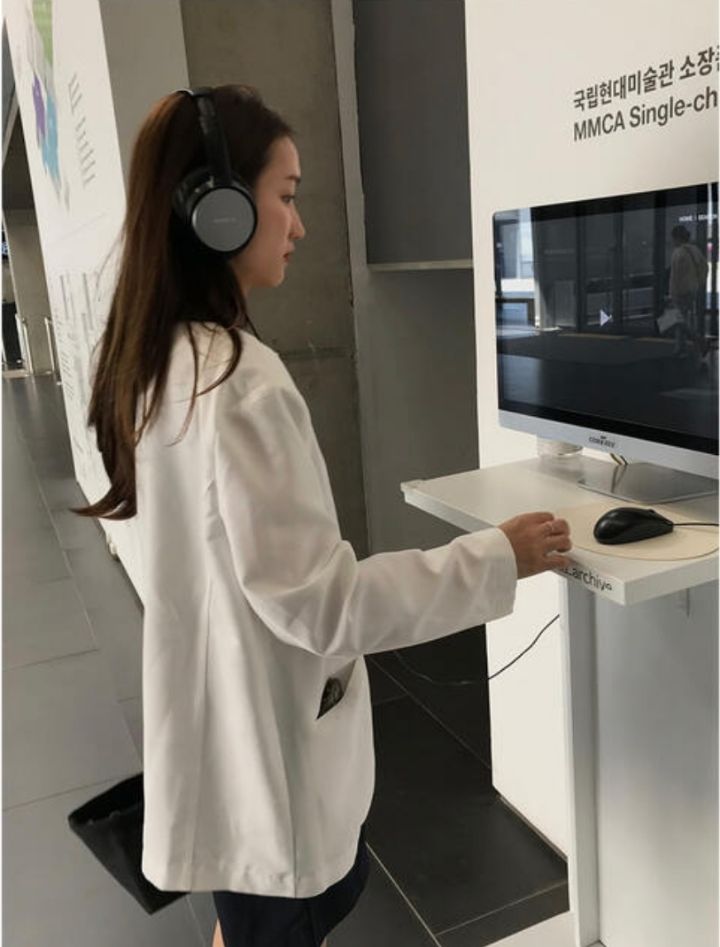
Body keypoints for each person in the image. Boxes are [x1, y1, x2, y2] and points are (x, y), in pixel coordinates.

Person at [75, 85, 572, 947]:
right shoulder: (240, 381)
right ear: (220, 209)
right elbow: (323, 605)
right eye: (287, 195)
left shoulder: (159, 362)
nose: (299, 225)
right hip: (272, 765)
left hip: (231, 741)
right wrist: (499, 556)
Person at [669, 224, 709, 356]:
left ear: (677, 238)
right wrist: (699, 282)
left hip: (680, 291)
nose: (672, 241)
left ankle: (699, 340)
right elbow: (705, 267)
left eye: (673, 238)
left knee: (679, 320)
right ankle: (679, 347)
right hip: (692, 289)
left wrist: (671, 294)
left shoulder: (678, 252)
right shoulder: (695, 250)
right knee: (680, 318)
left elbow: (675, 276)